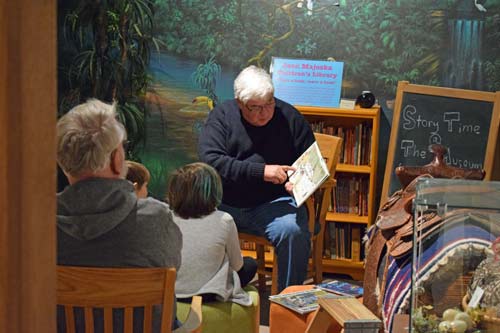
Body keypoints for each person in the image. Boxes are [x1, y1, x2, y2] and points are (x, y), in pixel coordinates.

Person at [56, 99, 182, 332]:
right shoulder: (156, 219)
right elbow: (175, 268)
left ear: (64, 163)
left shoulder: (33, 226)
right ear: (116, 159)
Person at [198, 65, 315, 292]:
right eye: (255, 107)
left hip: (273, 204)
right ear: (240, 103)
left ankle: (289, 303)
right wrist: (261, 172)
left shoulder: (290, 118)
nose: (265, 112)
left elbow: (310, 161)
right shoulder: (222, 117)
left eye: (269, 103)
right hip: (225, 203)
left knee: (292, 231)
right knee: (190, 221)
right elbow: (210, 159)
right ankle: (201, 294)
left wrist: (299, 184)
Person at [166, 162, 257, 306]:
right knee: (250, 264)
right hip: (207, 293)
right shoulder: (224, 219)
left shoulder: (165, 217)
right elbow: (237, 266)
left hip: (170, 290)